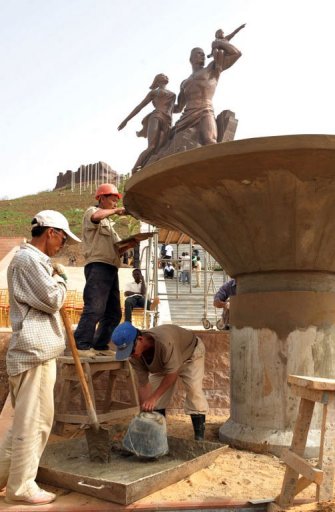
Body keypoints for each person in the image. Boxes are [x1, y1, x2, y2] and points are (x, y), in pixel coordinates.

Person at [0, 210, 81, 505]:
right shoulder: (29, 260)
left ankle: (5, 478)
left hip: (34, 352)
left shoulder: (32, 261)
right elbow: (53, 300)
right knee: (35, 423)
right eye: (62, 238)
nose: (62, 246)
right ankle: (21, 487)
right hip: (34, 353)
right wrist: (62, 279)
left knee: (24, 423)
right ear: (51, 233)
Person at [111, 322, 208, 441]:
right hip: (163, 363)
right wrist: (144, 412)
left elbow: (172, 374)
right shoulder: (135, 357)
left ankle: (199, 438)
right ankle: (159, 440)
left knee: (194, 391)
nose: (131, 354)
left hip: (190, 354)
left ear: (140, 339)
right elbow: (143, 384)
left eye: (131, 350)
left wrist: (153, 398)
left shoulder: (165, 342)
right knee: (154, 403)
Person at [74, 183, 135, 356]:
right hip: (98, 266)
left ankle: (99, 346)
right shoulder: (91, 212)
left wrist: (130, 244)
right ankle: (81, 345)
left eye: (117, 201)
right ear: (101, 198)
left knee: (113, 312)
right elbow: (96, 216)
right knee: (95, 307)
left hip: (110, 267)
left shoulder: (109, 223)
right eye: (113, 200)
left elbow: (117, 249)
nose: (115, 204)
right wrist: (116, 211)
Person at [173, 40, 242, 145]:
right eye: (199, 53)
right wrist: (161, 109)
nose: (203, 56)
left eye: (204, 54)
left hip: (205, 111)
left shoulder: (212, 68)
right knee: (171, 141)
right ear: (191, 59)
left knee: (210, 141)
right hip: (186, 116)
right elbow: (178, 108)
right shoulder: (184, 83)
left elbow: (236, 53)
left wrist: (219, 43)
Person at [118, 74, 176, 173]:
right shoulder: (154, 93)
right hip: (156, 117)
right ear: (157, 81)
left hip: (168, 121)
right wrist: (126, 120)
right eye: (162, 76)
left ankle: (153, 167)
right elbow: (140, 106)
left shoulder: (173, 94)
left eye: (166, 76)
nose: (165, 76)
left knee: (162, 148)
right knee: (152, 147)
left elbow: (175, 108)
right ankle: (135, 169)